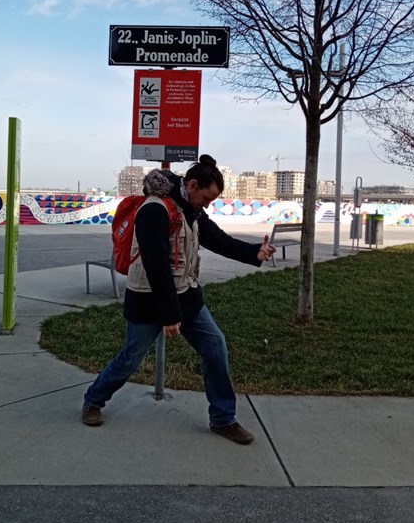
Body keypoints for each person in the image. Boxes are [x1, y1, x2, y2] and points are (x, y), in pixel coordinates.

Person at [81, 154, 276, 445]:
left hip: (187, 295)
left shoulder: (191, 209)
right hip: (149, 298)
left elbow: (216, 238)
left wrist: (253, 253)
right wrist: (170, 315)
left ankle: (223, 419)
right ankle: (93, 400)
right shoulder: (154, 210)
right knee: (131, 357)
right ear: (193, 185)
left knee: (215, 345)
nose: (207, 205)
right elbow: (156, 265)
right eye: (207, 198)